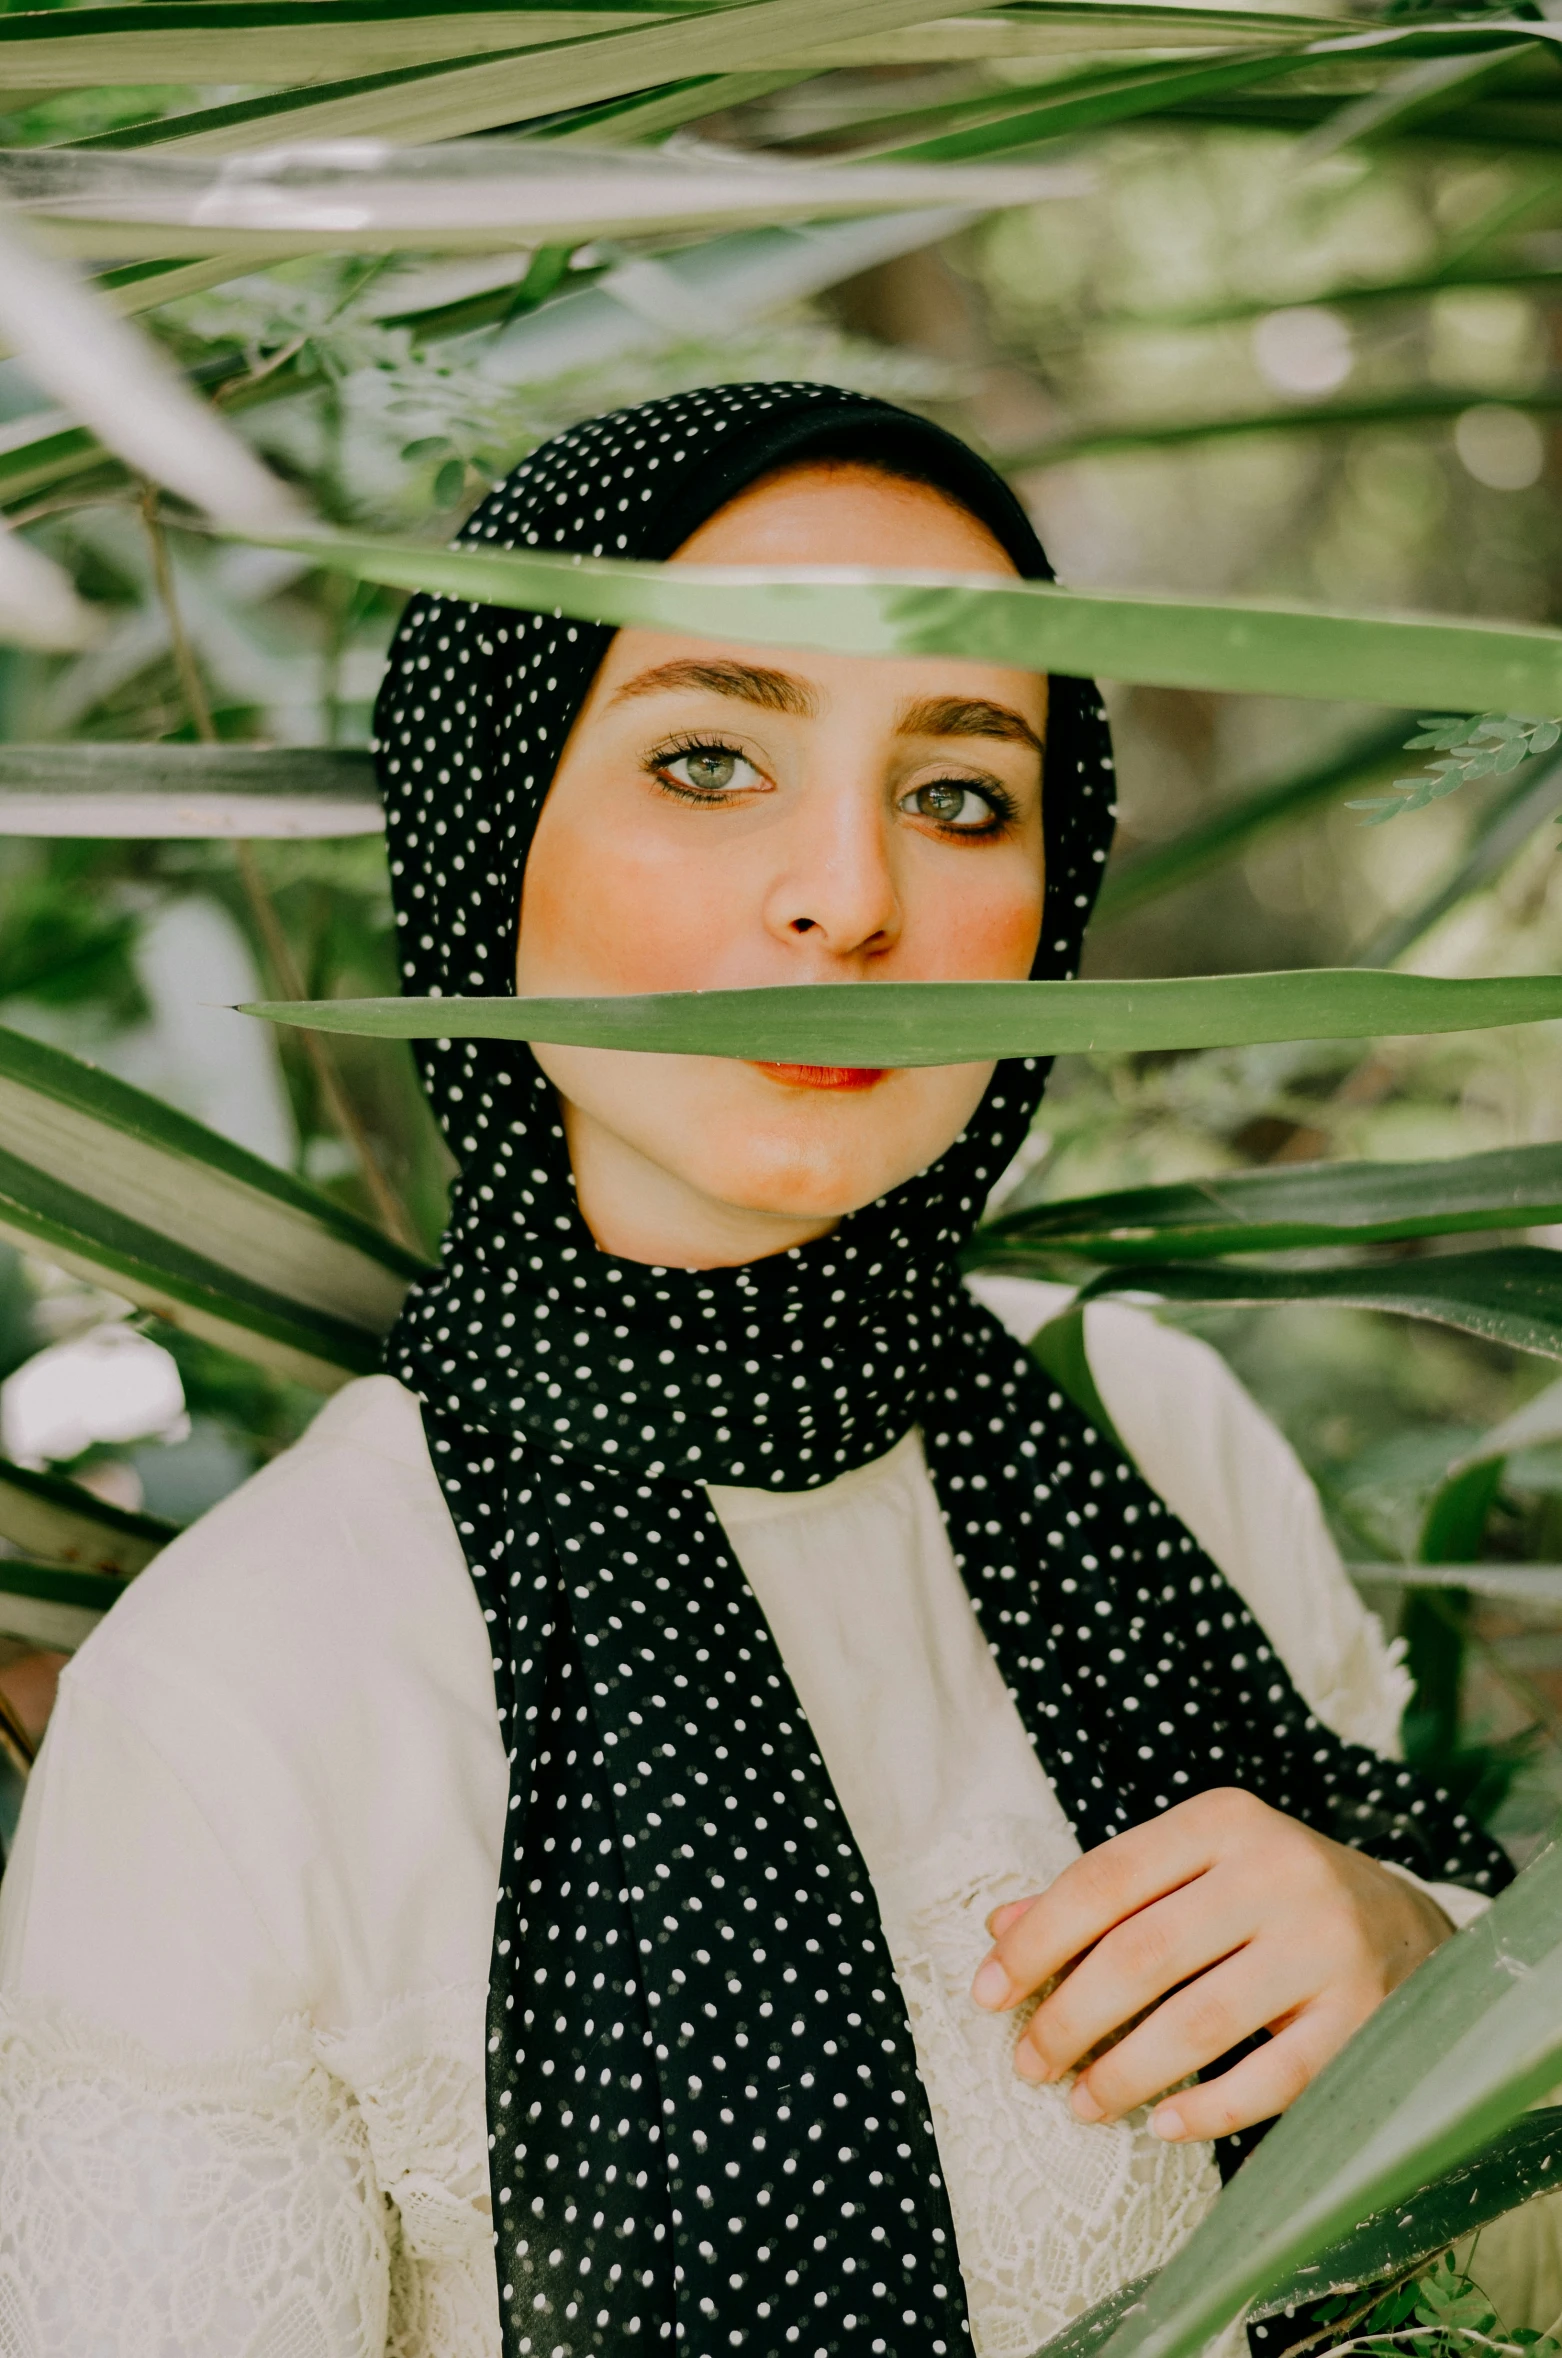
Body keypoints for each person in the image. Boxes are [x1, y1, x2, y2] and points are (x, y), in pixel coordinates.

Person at [0, 383, 1510, 2358]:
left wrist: (1434, 1989)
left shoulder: (1159, 1439)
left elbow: (1471, 2289)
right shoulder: (247, 1711)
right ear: (486, 829)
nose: (849, 900)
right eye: (709, 760)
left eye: (960, 794)